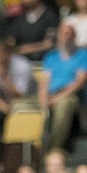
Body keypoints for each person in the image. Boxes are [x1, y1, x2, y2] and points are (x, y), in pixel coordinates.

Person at [39, 23, 87, 151]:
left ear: (74, 36)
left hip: (71, 95)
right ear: (58, 36)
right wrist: (44, 101)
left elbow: (79, 82)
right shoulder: (51, 57)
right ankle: (32, 149)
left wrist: (58, 97)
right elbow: (44, 82)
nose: (66, 37)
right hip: (51, 95)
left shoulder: (82, 55)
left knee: (63, 105)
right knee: (23, 108)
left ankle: (53, 148)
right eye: (63, 34)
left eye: (69, 34)